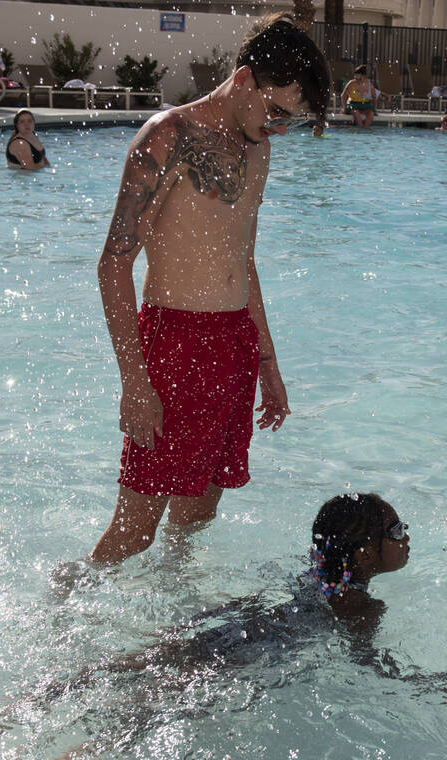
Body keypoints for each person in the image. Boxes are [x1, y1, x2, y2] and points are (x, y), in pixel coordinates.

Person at [0, 493, 447, 760]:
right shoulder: (360, 606)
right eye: (396, 531)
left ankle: (6, 712)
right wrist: (429, 686)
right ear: (364, 554)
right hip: (248, 656)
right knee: (152, 709)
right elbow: (370, 667)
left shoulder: (312, 573)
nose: (405, 539)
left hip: (233, 624)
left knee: (132, 664)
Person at [87, 13, 329, 566]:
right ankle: (58, 617)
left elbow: (244, 260)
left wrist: (267, 361)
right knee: (135, 532)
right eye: (275, 112)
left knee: (197, 517)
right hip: (173, 343)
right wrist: (134, 383)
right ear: (245, 80)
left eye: (289, 121)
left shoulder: (257, 146)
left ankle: (173, 626)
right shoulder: (167, 137)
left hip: (232, 343)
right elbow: (113, 265)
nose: (277, 128)